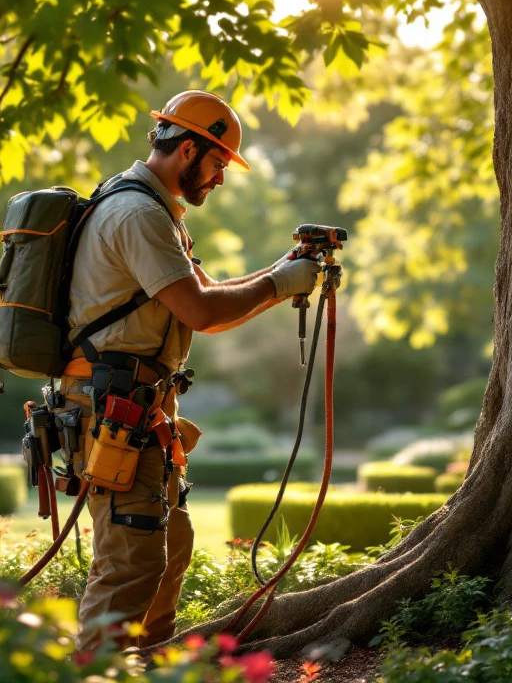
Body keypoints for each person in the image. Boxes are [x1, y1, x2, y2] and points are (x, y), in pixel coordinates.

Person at [62, 90, 321, 651]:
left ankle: (145, 665)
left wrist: (281, 273)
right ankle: (98, 670)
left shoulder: (151, 209)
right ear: (186, 150)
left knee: (169, 546)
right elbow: (202, 313)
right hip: (113, 410)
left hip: (135, 409)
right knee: (129, 563)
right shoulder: (136, 214)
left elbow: (200, 296)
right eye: (219, 164)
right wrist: (280, 285)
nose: (221, 179)